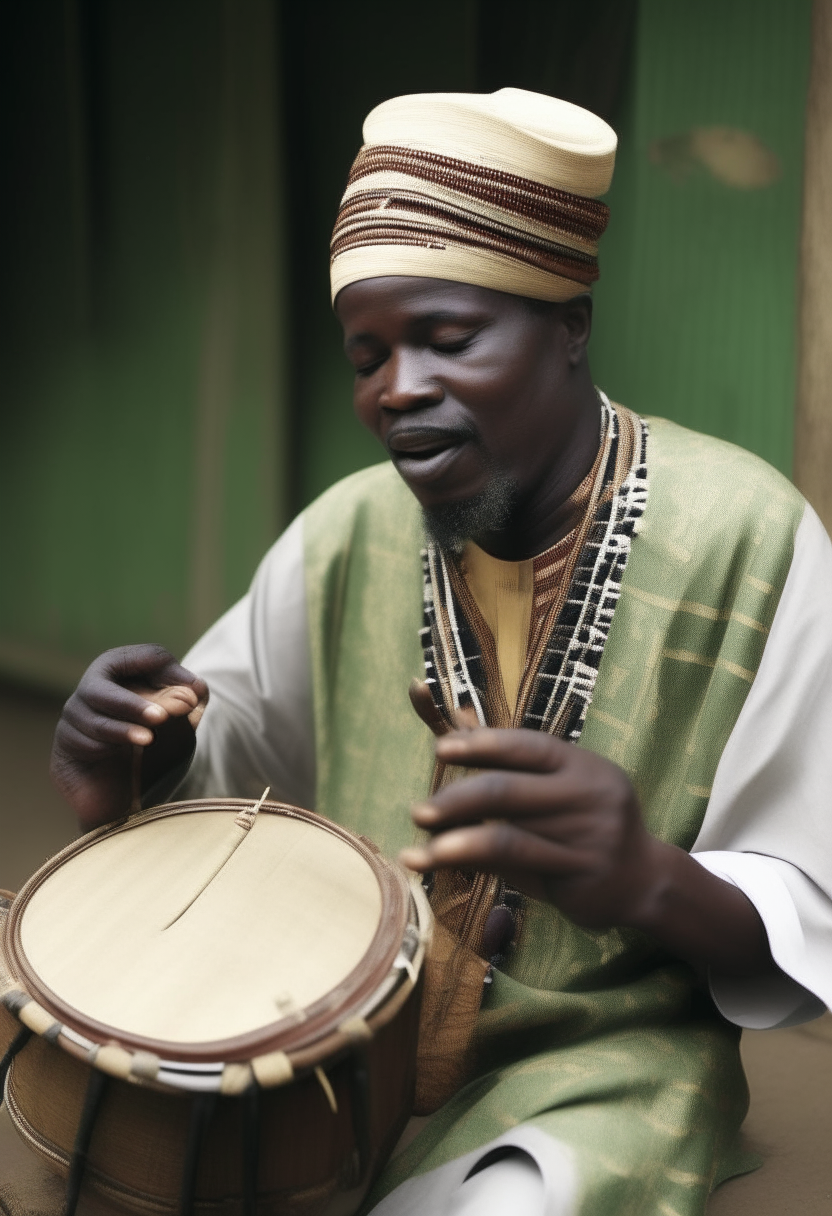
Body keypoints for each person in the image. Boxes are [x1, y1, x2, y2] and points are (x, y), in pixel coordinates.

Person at [48, 89, 832, 1215]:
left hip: (598, 1061)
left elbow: (803, 897)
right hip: (327, 1041)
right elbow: (223, 776)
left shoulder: (748, 537)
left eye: (448, 338)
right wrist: (134, 766)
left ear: (568, 324)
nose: (397, 389)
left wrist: (646, 876)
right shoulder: (346, 532)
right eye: (368, 354)